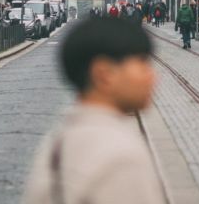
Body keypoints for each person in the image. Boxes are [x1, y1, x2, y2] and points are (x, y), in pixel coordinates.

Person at [22, 17, 167, 204]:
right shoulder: (121, 157)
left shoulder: (59, 140)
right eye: (142, 64)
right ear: (104, 74)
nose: (152, 76)